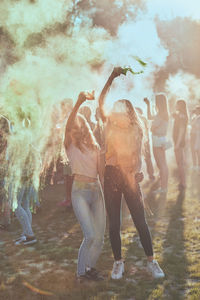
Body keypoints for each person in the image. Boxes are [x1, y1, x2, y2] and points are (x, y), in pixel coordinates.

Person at [98, 67, 165, 280]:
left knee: (140, 222)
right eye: (116, 110)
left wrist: (140, 172)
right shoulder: (109, 125)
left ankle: (151, 262)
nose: (117, 113)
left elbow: (139, 157)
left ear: (129, 113)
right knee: (115, 224)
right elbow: (100, 102)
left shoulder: (137, 130)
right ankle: (118, 263)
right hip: (111, 176)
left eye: (121, 110)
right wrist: (111, 78)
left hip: (130, 177)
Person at [64, 91, 106, 281]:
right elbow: (68, 125)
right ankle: (81, 272)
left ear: (86, 127)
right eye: (74, 127)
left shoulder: (95, 146)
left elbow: (101, 174)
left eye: (80, 126)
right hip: (79, 191)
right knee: (89, 236)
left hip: (96, 191)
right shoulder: (70, 144)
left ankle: (88, 268)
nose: (76, 129)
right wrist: (78, 103)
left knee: (100, 239)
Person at [144, 94, 170, 194]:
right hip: (161, 139)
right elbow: (150, 117)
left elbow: (152, 127)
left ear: (159, 102)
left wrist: (152, 127)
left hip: (158, 140)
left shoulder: (161, 114)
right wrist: (148, 105)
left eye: (156, 101)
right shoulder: (162, 113)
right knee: (162, 163)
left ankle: (163, 188)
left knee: (162, 164)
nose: (155, 102)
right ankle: (163, 185)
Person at [135, 107, 155, 181]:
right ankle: (150, 175)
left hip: (143, 142)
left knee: (146, 159)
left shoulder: (142, 119)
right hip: (143, 141)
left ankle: (150, 175)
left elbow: (146, 130)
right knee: (146, 159)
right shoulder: (142, 119)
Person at [172, 100, 188, 189]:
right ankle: (181, 182)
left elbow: (181, 131)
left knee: (180, 163)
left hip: (179, 143)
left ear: (180, 105)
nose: (175, 106)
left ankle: (183, 183)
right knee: (179, 163)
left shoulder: (182, 116)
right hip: (178, 142)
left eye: (176, 104)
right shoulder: (180, 115)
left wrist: (177, 144)